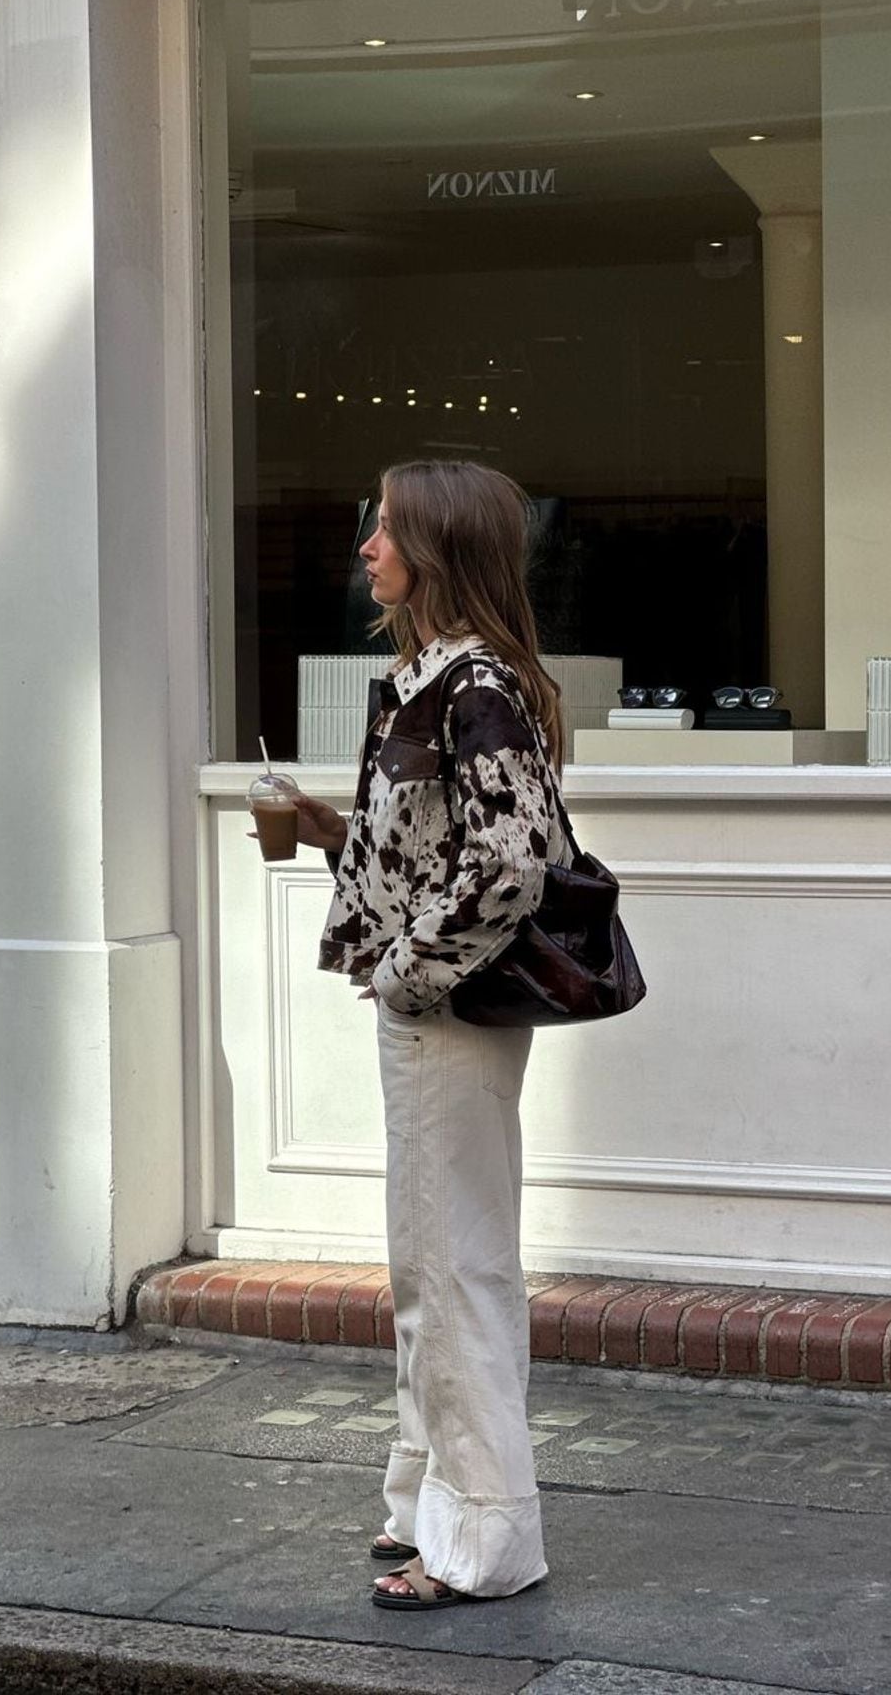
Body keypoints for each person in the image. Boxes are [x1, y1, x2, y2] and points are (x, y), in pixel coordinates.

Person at [291, 459, 571, 1611]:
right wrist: (337, 834)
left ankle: (486, 1541)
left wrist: (407, 969)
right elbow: (451, 844)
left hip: (447, 1015)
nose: (366, 544)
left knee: (454, 1268)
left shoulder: (476, 688)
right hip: (434, 1012)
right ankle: (424, 1506)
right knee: (430, 1263)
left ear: (439, 547)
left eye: (387, 526)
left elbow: (518, 860)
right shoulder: (435, 681)